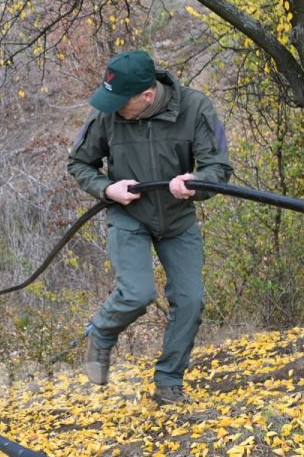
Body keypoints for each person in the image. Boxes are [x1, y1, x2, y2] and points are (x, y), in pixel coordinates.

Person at [67, 49, 233, 405]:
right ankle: (101, 333)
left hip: (177, 217)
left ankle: (168, 383)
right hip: (130, 216)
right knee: (137, 293)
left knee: (190, 301)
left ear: (146, 95)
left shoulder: (196, 108)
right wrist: (106, 188)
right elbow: (79, 163)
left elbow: (218, 169)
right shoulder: (108, 114)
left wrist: (196, 182)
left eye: (119, 101)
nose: (110, 107)